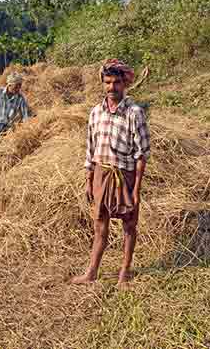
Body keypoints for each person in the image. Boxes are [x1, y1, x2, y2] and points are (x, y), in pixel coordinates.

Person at [71, 59, 150, 288]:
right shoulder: (95, 113)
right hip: (100, 174)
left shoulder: (134, 113)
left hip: (124, 176)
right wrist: (88, 180)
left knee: (129, 225)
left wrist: (136, 190)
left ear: (124, 84)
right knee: (100, 225)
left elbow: (142, 154)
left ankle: (125, 272)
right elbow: (90, 148)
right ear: (103, 83)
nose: (111, 87)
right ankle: (92, 272)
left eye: (116, 82)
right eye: (107, 82)